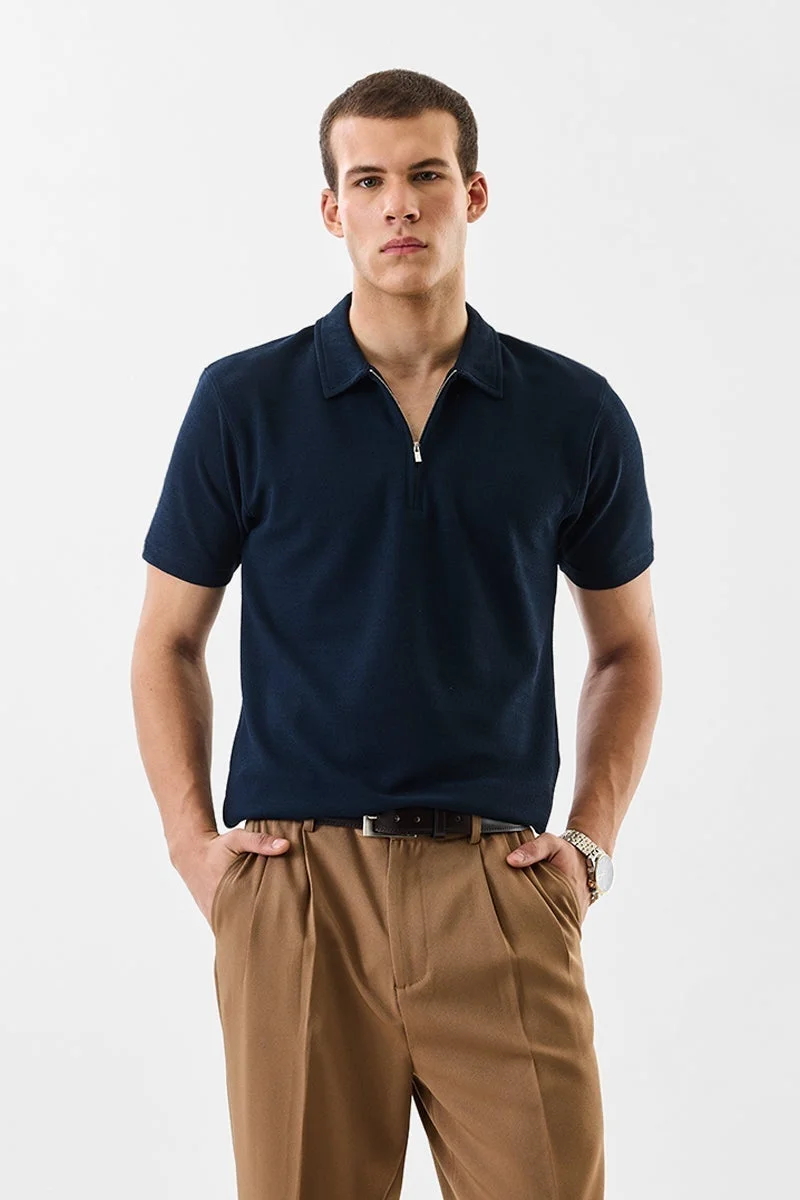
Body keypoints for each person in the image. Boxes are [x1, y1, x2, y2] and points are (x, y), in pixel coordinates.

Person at [131, 67, 662, 1200]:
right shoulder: (243, 403)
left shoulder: (572, 413)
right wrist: (192, 848)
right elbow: (167, 640)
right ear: (333, 209)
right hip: (298, 892)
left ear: (474, 193)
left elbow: (626, 650)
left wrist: (590, 845)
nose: (399, 205)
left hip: (499, 886)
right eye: (367, 181)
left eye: (426, 174)